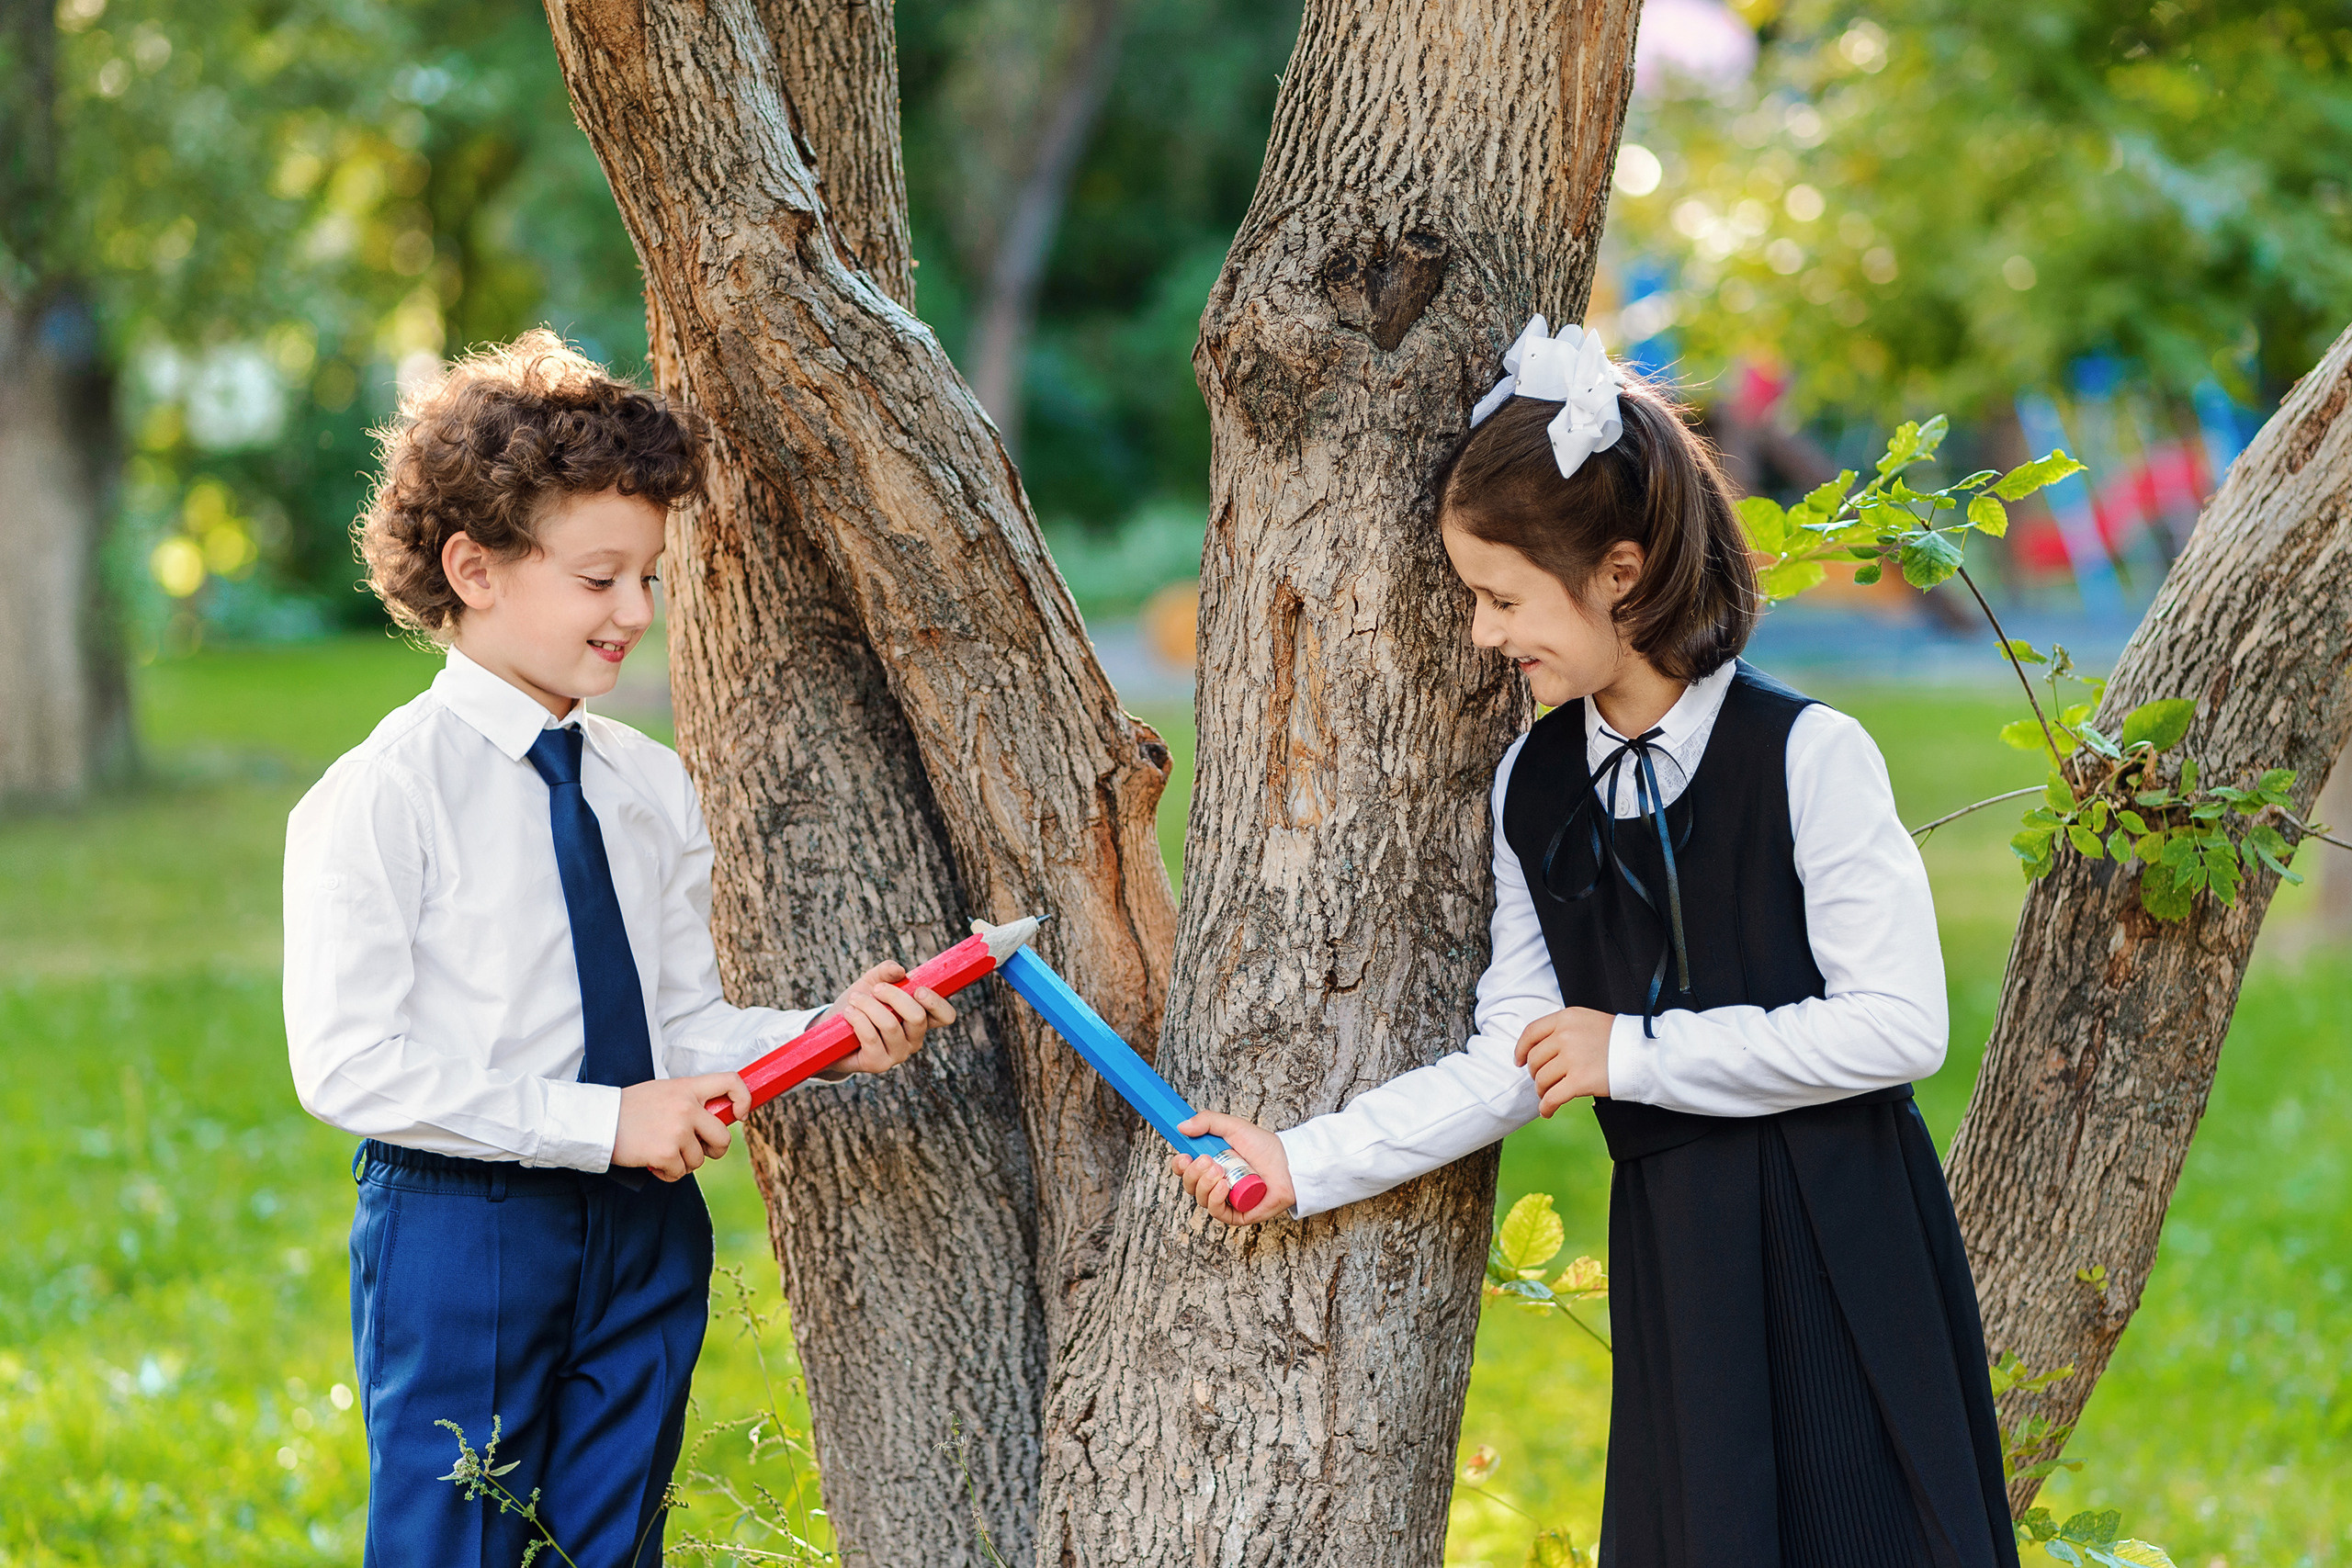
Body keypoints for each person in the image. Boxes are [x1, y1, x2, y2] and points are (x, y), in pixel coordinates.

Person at [1170, 318, 2020, 1568]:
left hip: (1847, 1244)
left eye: (1503, 598)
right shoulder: (1536, 784)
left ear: (1620, 572)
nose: (1483, 635)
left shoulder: (1809, 757)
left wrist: (1637, 1054)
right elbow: (1516, 1053)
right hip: (1684, 1256)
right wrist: (1307, 1161)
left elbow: (1902, 1026)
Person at [283, 332, 956, 1568]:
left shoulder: (645, 787)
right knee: (460, 1544)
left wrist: (825, 1035)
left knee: (612, 1544)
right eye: (600, 580)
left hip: (645, 1226)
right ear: (474, 568)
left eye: (648, 577)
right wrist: (604, 1126)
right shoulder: (384, 794)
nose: (636, 613)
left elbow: (678, 1026)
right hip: (465, 1229)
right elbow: (346, 1066)